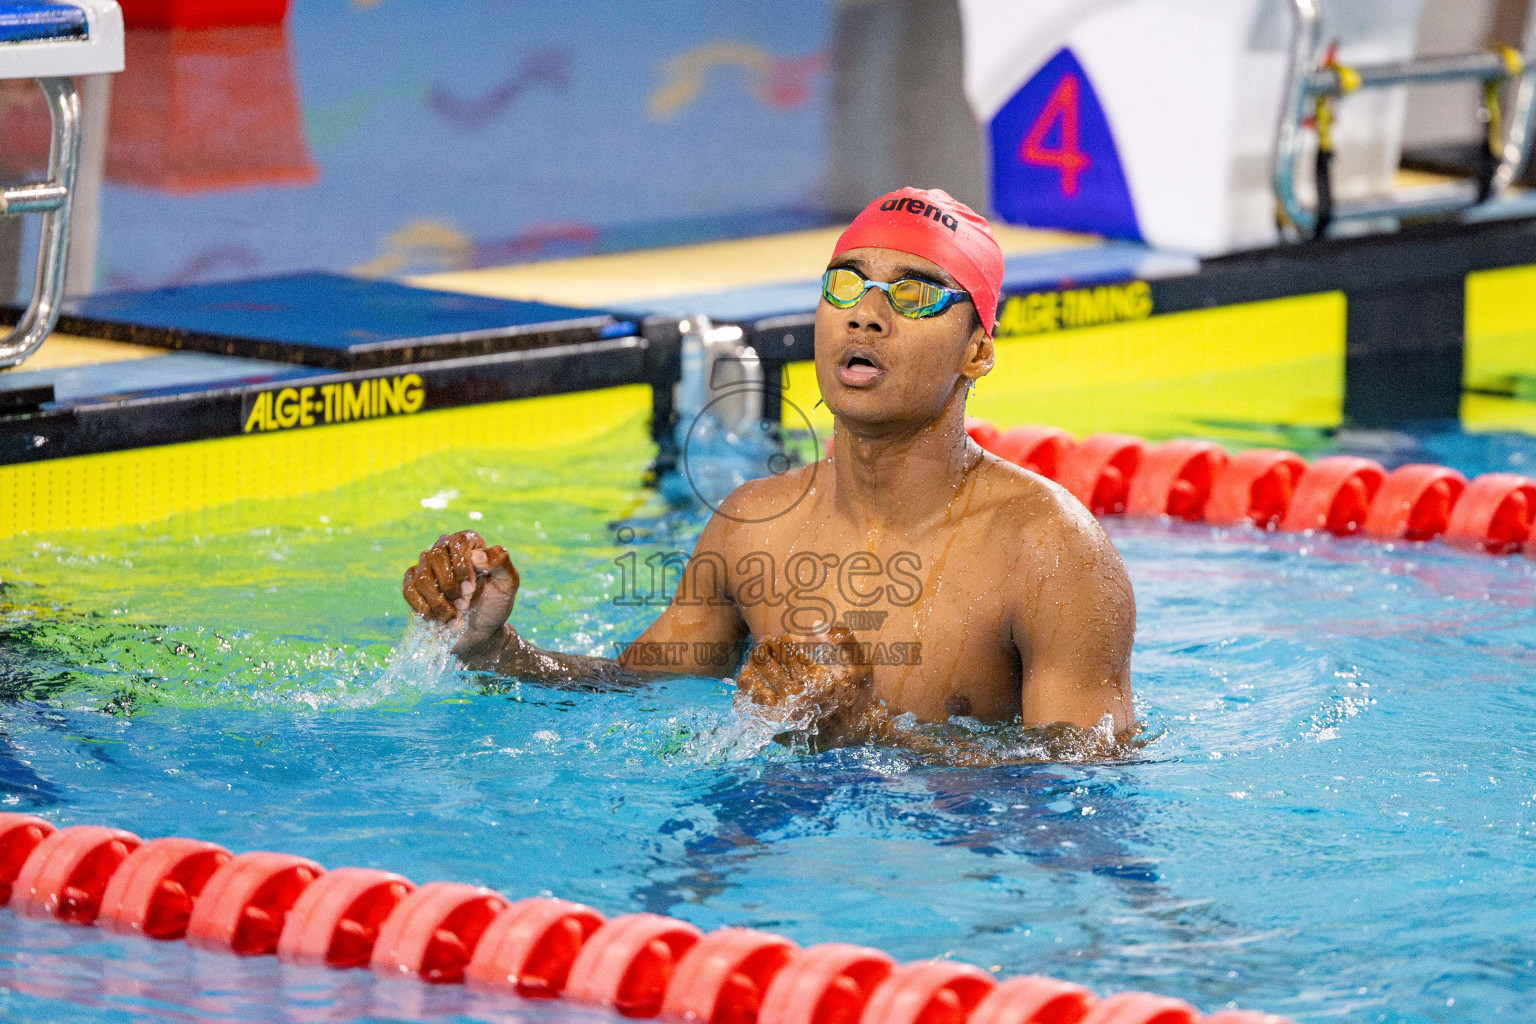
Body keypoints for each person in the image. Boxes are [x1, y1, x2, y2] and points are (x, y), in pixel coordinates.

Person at [402, 187, 1135, 750]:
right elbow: (634, 688)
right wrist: (496, 648)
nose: (866, 314)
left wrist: (877, 739)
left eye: (914, 295)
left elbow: (1088, 780)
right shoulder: (752, 524)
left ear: (978, 350)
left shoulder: (1048, 549)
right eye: (845, 285)